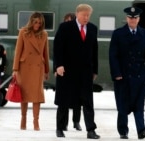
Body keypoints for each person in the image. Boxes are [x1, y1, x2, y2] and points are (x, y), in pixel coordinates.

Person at [53, 4, 100, 139]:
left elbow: (94, 50)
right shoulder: (65, 27)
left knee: (87, 102)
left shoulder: (92, 28)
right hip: (67, 71)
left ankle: (91, 130)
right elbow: (58, 48)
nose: (86, 18)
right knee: (63, 101)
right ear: (77, 14)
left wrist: (94, 70)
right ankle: (60, 128)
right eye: (84, 15)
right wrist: (58, 65)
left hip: (85, 72)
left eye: (88, 15)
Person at [109, 7, 145, 139]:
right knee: (123, 105)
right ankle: (123, 131)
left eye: (135, 18)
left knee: (139, 105)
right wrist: (116, 73)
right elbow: (113, 55)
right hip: (123, 75)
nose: (132, 20)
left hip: (139, 75)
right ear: (126, 18)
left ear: (139, 19)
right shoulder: (118, 34)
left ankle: (141, 130)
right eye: (130, 17)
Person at [12, 12, 49, 131]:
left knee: (37, 96)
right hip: (24, 68)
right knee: (24, 94)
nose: (37, 25)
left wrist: (47, 70)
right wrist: (15, 69)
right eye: (35, 22)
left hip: (38, 68)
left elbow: (45, 53)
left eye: (39, 23)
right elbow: (18, 51)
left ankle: (36, 122)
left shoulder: (44, 34)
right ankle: (23, 120)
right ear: (31, 21)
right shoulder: (23, 32)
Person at [55, 12, 82, 131]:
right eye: (67, 20)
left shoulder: (79, 31)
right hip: (63, 70)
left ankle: (76, 121)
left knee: (77, 98)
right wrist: (56, 67)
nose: (68, 22)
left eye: (70, 20)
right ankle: (62, 124)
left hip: (76, 70)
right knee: (63, 99)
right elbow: (56, 51)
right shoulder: (61, 30)